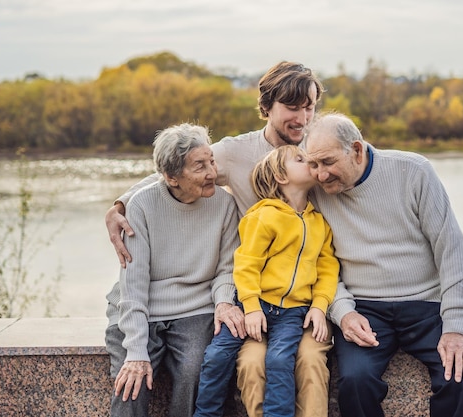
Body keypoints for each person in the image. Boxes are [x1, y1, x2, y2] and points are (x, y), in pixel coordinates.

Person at [105, 61, 332, 417]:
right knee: (239, 364)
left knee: (297, 362)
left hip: (298, 298)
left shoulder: (315, 153)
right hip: (253, 293)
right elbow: (168, 173)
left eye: (309, 106)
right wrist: (121, 203)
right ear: (267, 107)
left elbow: (352, 170)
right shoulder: (231, 153)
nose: (303, 117)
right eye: (292, 107)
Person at [303, 112, 463, 417]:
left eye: (328, 162)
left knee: (461, 380)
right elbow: (320, 265)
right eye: (313, 164)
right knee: (354, 382)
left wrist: (456, 326)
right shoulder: (316, 193)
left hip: (428, 305)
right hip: (364, 308)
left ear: (357, 150)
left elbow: (451, 251)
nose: (320, 175)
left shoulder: (413, 171)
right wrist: (343, 313)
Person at [104, 123, 244, 417]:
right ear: (171, 177)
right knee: (131, 382)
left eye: (211, 162)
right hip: (139, 306)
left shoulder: (225, 204)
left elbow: (226, 269)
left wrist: (223, 302)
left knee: (196, 372)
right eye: (199, 166)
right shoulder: (142, 204)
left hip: (195, 308)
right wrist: (137, 352)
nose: (211, 173)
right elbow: (134, 283)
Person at [193, 145, 339, 417]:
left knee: (279, 359)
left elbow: (328, 268)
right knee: (216, 357)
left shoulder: (319, 223)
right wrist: (251, 306)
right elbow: (246, 264)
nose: (308, 162)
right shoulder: (263, 216)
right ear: (281, 177)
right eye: (300, 159)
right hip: (255, 304)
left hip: (293, 313)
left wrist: (320, 305)